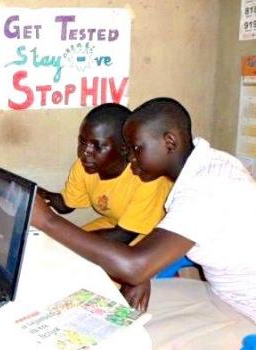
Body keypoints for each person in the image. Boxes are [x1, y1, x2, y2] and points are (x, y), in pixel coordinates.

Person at [32, 97, 256, 349]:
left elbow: (135, 265)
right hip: (220, 293)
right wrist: (142, 271)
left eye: (136, 149)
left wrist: (48, 221)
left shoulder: (207, 187)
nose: (131, 159)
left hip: (244, 310)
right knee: (95, 316)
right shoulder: (207, 164)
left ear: (169, 142)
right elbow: (162, 248)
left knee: (113, 338)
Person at [38, 103, 172, 245]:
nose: (85, 152)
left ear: (125, 148)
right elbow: (66, 206)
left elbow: (124, 236)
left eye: (97, 146)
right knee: (61, 248)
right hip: (116, 225)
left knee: (74, 251)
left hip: (153, 234)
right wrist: (41, 196)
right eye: (82, 142)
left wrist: (61, 234)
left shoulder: (148, 178)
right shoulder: (84, 166)